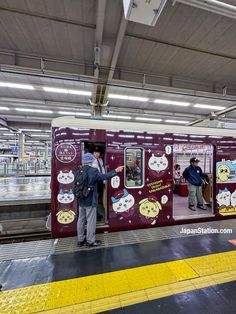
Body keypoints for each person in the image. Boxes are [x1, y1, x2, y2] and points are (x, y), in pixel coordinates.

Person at [77, 153, 123, 247]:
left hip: (81, 200)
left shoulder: (78, 171)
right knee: (91, 221)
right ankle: (90, 241)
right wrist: (116, 170)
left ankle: (80, 240)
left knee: (81, 220)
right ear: (91, 161)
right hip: (90, 200)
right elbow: (104, 177)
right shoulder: (93, 171)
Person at [92, 147, 105, 221]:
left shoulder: (100, 160)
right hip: (95, 182)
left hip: (100, 181)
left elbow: (102, 169)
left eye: (98, 153)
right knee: (95, 198)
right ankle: (95, 215)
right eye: (95, 152)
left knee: (99, 197)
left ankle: (97, 213)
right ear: (93, 153)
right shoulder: (91, 161)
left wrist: (104, 180)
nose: (97, 154)